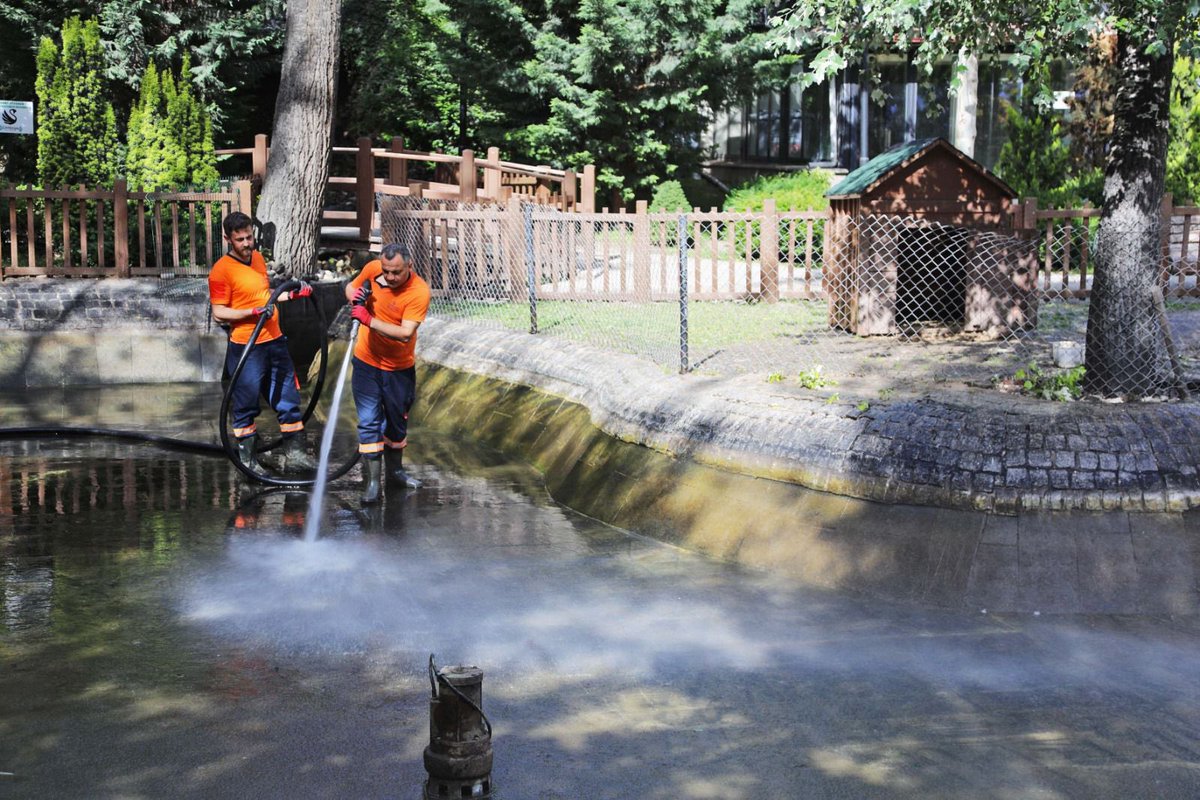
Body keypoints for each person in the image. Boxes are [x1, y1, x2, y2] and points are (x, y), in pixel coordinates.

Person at [208, 211, 316, 473]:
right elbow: (219, 312)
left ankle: (296, 455)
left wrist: (290, 296)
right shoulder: (221, 272)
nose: (247, 244)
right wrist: (251, 313)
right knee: (246, 403)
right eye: (240, 240)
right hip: (247, 347)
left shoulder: (256, 259)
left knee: (288, 398)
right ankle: (248, 460)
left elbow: (264, 296)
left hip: (275, 341)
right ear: (227, 239)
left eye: (249, 237)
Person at [344, 242, 431, 504]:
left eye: (396, 272)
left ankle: (395, 473)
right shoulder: (372, 269)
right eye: (386, 271)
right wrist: (356, 297)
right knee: (369, 421)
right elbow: (350, 287)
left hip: (399, 370)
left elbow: (405, 334)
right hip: (366, 363)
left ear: (409, 267)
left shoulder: (418, 292)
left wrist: (368, 320)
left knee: (396, 422)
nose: (390, 277)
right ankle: (372, 483)